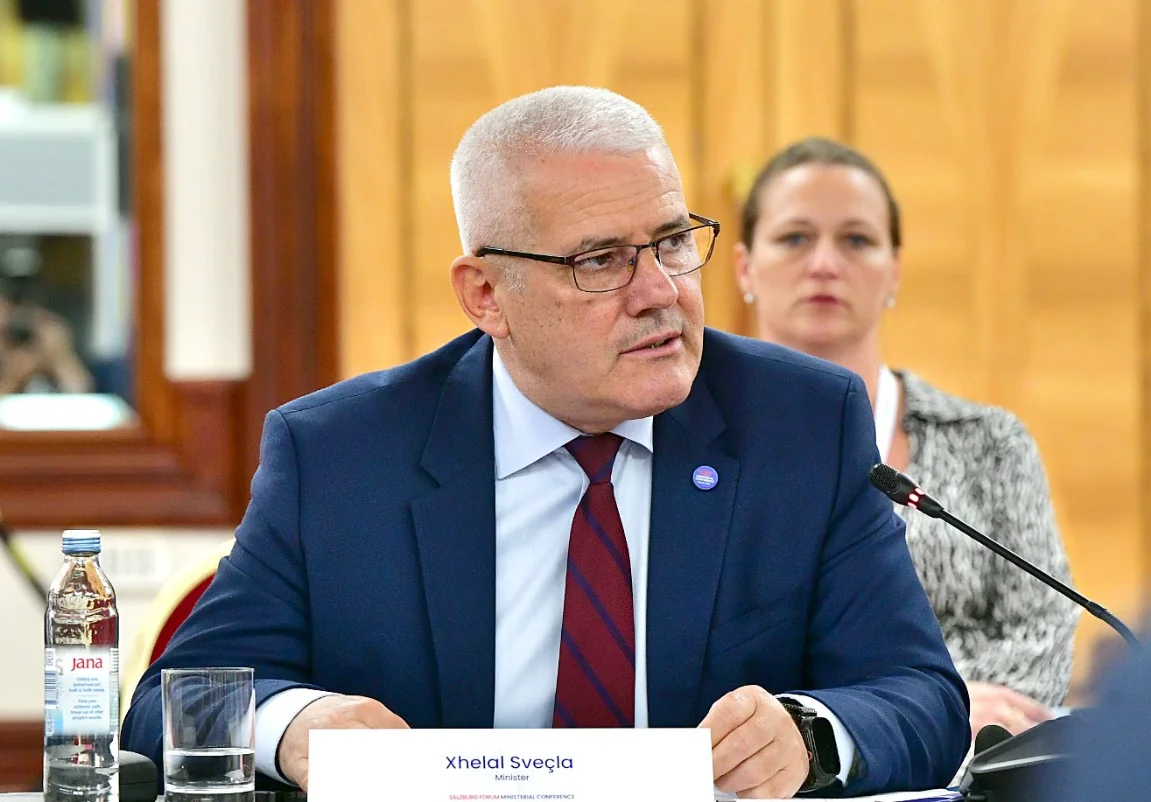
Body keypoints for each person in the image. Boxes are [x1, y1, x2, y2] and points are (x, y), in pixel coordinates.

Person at [122, 88, 969, 798]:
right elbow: (170, 702)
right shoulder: (341, 454)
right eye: (599, 261)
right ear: (485, 295)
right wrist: (296, 725)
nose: (659, 291)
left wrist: (809, 734)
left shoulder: (800, 423)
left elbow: (920, 697)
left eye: (673, 241)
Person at [733, 136, 1079, 741]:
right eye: (794, 238)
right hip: (775, 764)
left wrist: (941, 709)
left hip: (969, 760)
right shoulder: (698, 441)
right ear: (744, 268)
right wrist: (909, 709)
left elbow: (1044, 636)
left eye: (856, 240)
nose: (824, 263)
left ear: (894, 269)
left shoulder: (989, 442)